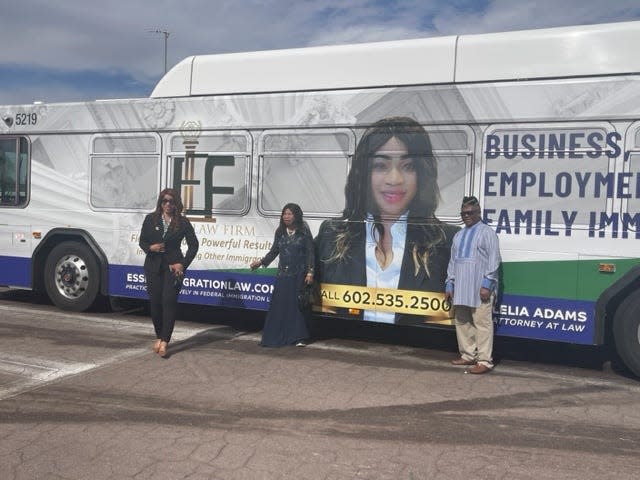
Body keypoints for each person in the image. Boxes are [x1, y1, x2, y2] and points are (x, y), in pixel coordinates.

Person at [316, 116, 458, 325]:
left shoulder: (447, 241)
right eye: (381, 165)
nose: (394, 179)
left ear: (422, 173)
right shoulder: (331, 235)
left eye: (408, 166)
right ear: (364, 172)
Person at [139, 188, 199, 357]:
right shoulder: (150, 219)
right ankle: (159, 335)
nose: (167, 204)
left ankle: (165, 341)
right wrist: (150, 247)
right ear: (160, 202)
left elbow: (194, 245)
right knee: (155, 304)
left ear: (176, 203)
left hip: (173, 268)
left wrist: (183, 264)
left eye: (171, 201)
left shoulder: (183, 222)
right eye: (164, 201)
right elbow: (142, 241)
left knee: (168, 302)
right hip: (153, 266)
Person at [445, 196, 501, 374]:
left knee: (482, 323)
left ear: (478, 213)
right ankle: (468, 355)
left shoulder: (487, 233)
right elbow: (453, 262)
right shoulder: (459, 235)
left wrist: (487, 284)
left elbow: (494, 261)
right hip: (461, 286)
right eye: (463, 213)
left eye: (470, 212)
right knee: (462, 321)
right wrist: (449, 284)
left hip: (480, 288)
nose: (466, 216)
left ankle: (484, 361)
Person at [250, 203, 315, 347]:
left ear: (296, 216)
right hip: (283, 275)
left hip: (299, 274)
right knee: (280, 306)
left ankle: (298, 337)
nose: (286, 216)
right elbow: (274, 251)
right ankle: (276, 336)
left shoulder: (303, 231)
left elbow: (311, 252)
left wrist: (310, 272)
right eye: (285, 214)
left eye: (290, 214)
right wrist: (260, 262)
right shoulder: (280, 232)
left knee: (297, 307)